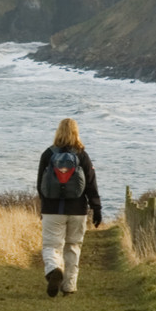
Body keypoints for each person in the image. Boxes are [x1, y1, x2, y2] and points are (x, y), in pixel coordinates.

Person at [36, 118, 102, 297]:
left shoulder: (48, 154)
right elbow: (91, 185)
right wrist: (97, 209)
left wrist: (45, 205)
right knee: (73, 246)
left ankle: (54, 269)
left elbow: (40, 184)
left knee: (51, 245)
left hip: (52, 209)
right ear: (76, 132)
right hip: (77, 210)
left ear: (58, 132)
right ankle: (69, 287)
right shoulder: (82, 155)